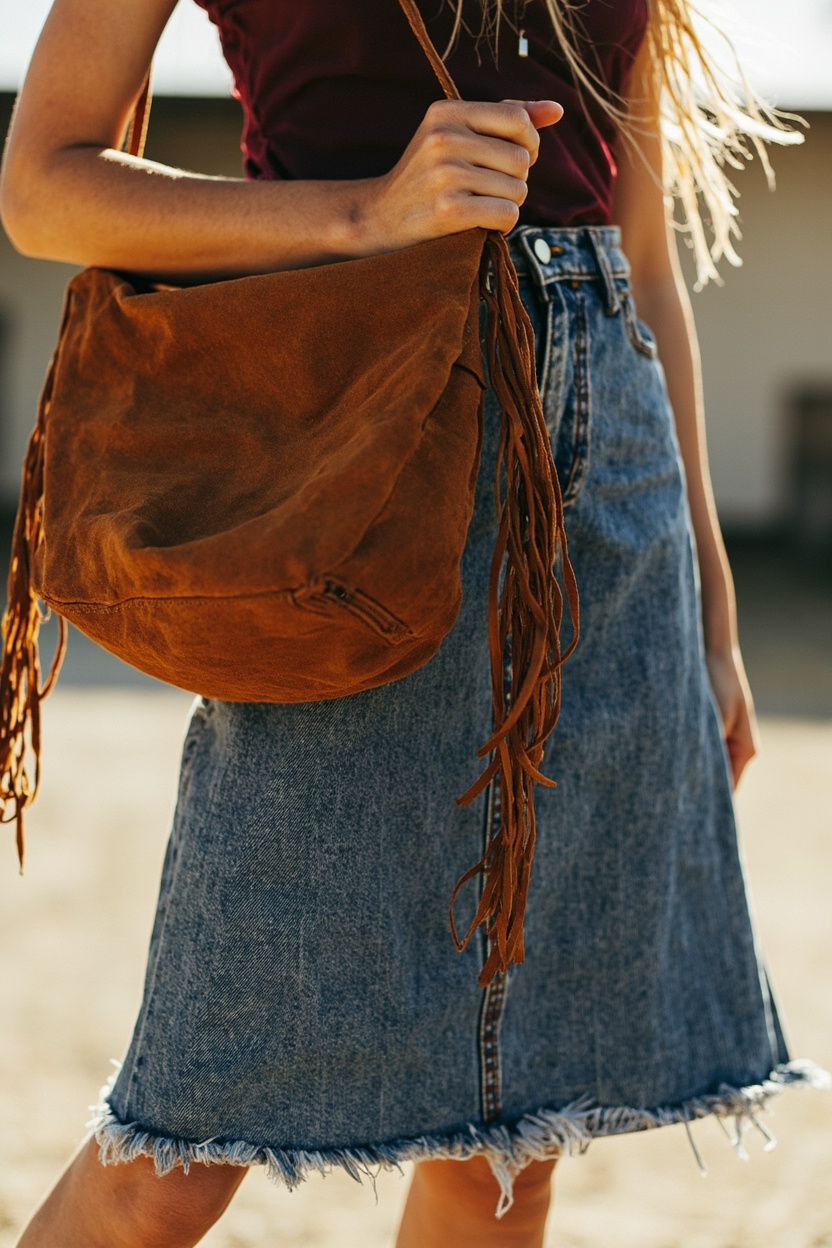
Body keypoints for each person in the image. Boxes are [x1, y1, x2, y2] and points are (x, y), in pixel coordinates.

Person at [0, 1, 824, 1246]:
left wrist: (710, 606)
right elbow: (43, 187)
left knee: (514, 1145)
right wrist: (367, 213)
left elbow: (643, 265)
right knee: (182, 1142)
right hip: (357, 478)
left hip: (607, 498)